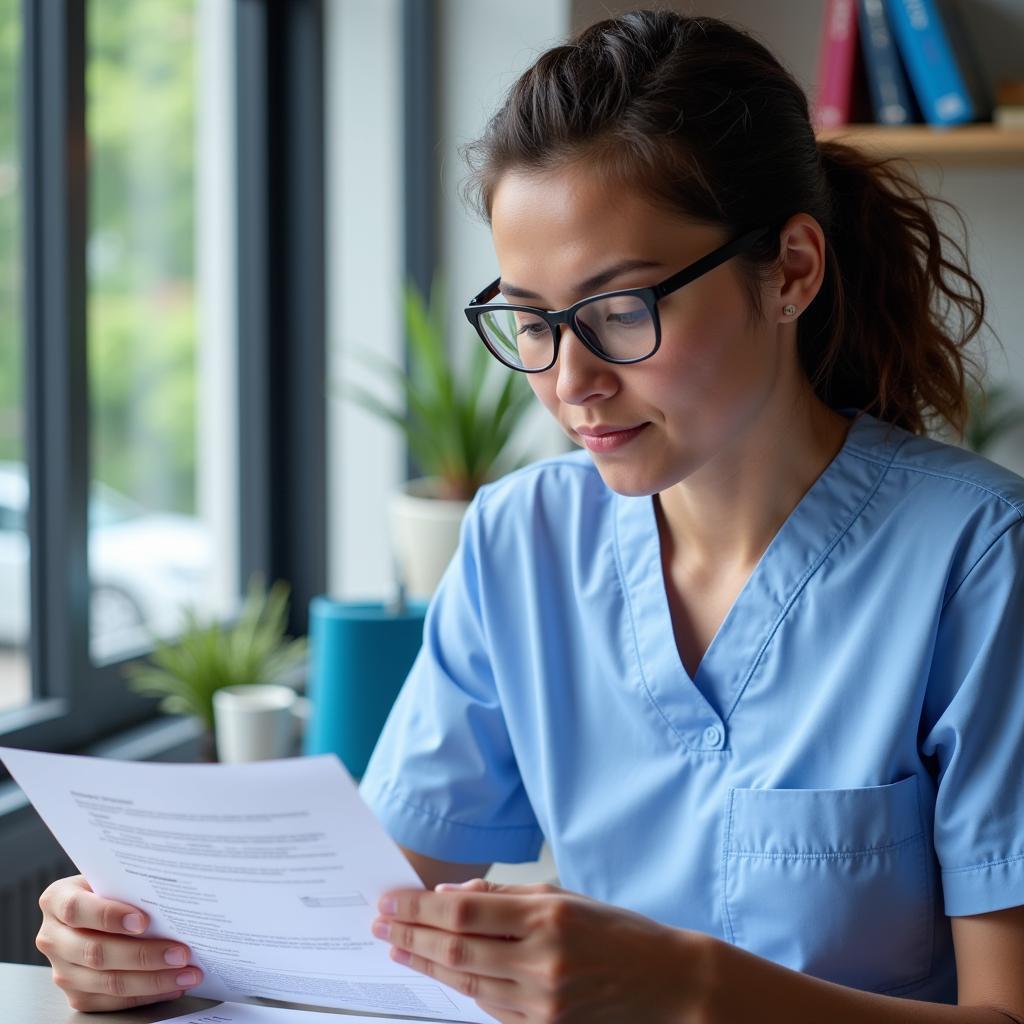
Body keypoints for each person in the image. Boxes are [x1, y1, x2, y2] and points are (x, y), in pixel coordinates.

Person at [35, 9, 1024, 1022]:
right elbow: (360, 919)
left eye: (621, 309)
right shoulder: (523, 543)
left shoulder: (978, 561)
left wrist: (690, 988)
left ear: (792, 272)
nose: (570, 380)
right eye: (532, 322)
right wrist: (142, 939)